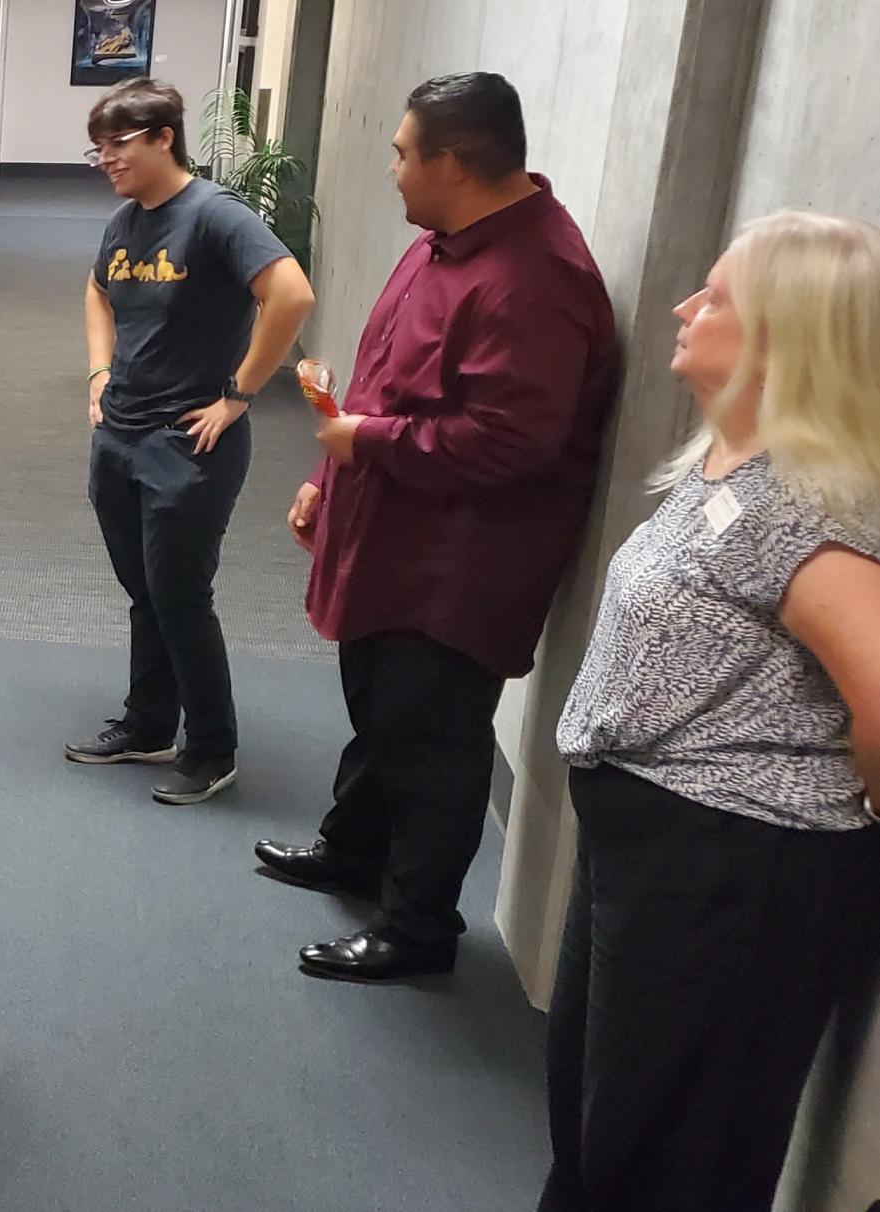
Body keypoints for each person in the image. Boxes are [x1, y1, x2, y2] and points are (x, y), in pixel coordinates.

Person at [542, 211, 880, 1212]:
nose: (686, 308)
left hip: (736, 865)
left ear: (784, 335)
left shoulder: (810, 506)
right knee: (603, 1131)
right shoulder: (730, 470)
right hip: (651, 841)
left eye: (717, 297)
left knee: (671, 1161)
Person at [255, 72, 620, 982]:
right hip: (387, 525)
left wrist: (363, 443)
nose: (390, 169)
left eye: (400, 151)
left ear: (450, 163)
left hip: (458, 563)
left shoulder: (535, 279)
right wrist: (324, 473)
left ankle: (415, 928)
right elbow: (381, 381)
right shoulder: (442, 243)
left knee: (431, 739)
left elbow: (509, 443)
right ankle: (353, 848)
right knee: (378, 705)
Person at [63, 77, 314, 805]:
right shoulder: (127, 220)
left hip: (188, 442)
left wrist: (238, 394)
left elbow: (290, 294)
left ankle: (211, 746)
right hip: (120, 431)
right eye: (98, 148)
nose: (106, 160)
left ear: (163, 136)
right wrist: (99, 369)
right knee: (142, 589)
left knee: (179, 595)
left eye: (119, 144)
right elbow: (97, 290)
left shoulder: (214, 216)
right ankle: (148, 725)